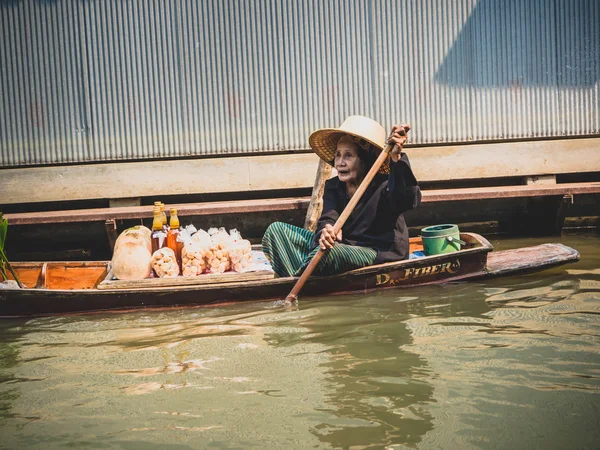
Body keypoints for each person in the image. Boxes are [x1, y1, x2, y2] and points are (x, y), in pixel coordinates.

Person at [262, 115, 421, 277]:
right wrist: (326, 231)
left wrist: (396, 158)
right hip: (341, 247)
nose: (340, 162)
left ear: (365, 159)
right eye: (338, 155)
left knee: (327, 254)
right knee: (276, 231)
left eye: (348, 155)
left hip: (378, 251)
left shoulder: (385, 185)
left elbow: (407, 200)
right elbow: (328, 219)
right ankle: (298, 278)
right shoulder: (333, 187)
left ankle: (298, 277)